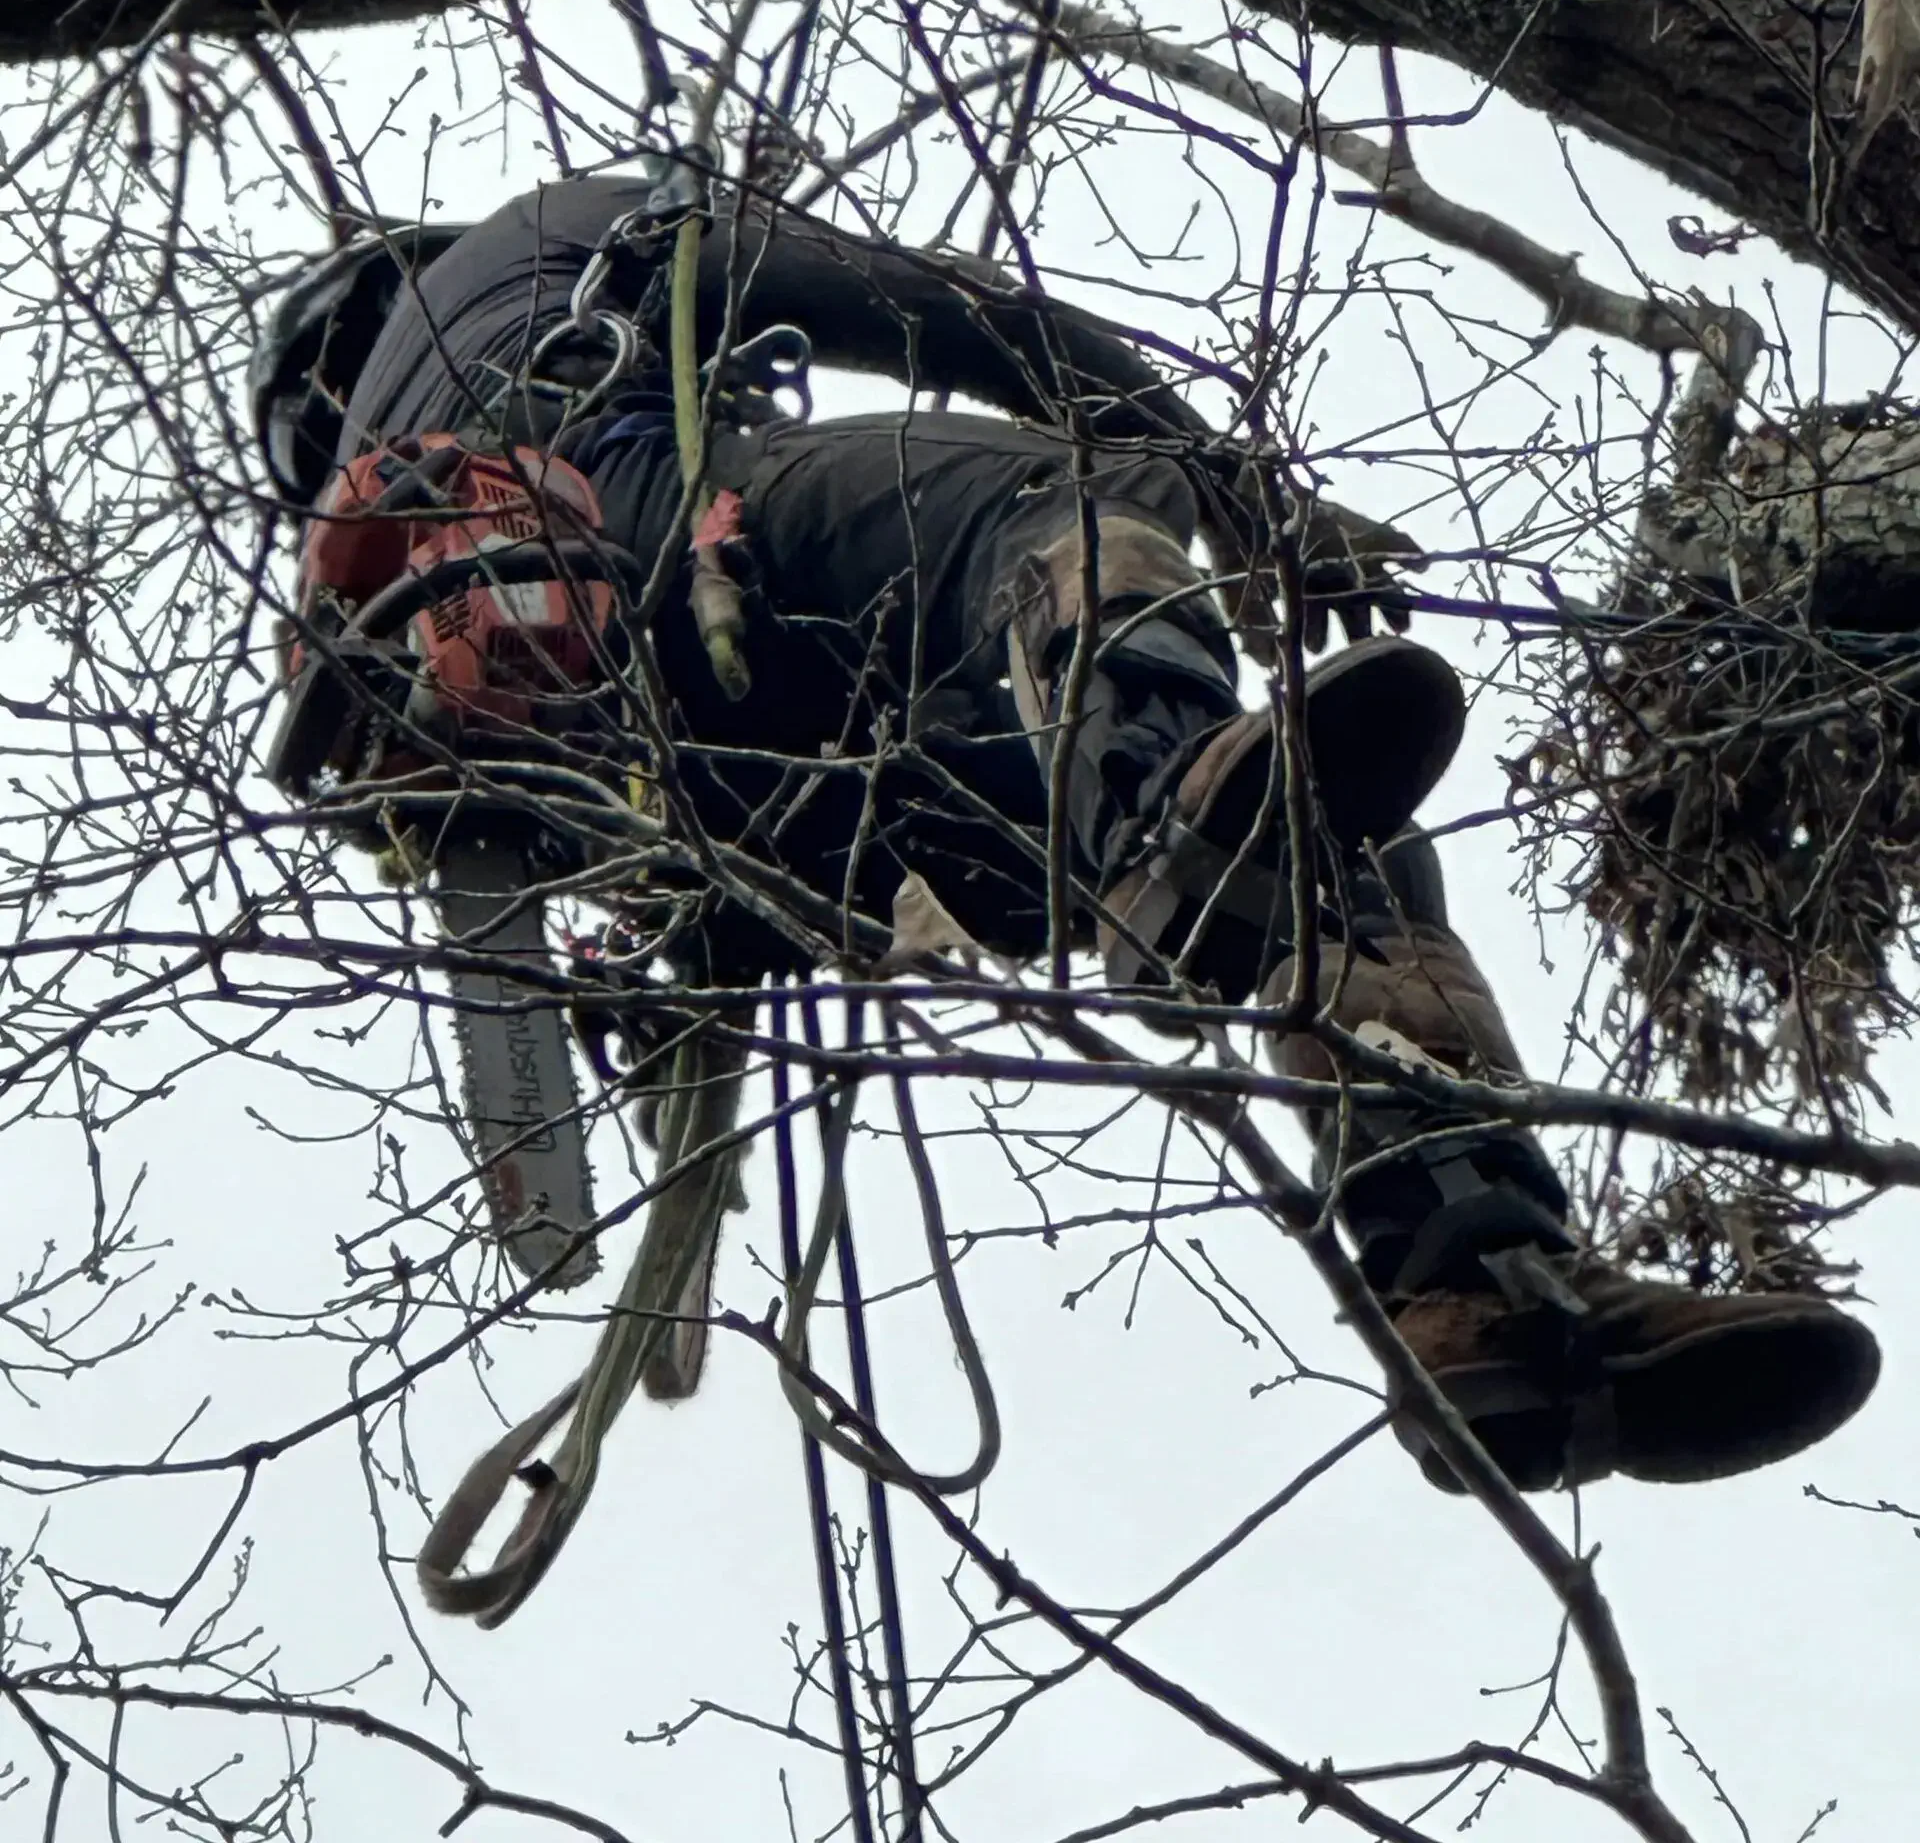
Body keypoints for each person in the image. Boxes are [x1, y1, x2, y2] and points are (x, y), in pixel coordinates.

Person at [256, 169, 1881, 1494]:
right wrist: (1236, 483)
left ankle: (1487, 1304)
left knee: (1321, 826)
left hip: (778, 828)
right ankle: (1179, 850)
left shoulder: (388, 624)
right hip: (672, 537)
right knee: (1073, 499)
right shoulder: (538, 247)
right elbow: (935, 306)